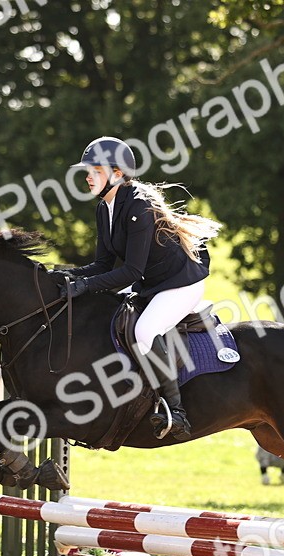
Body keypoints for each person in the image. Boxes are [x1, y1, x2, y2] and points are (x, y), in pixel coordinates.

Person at [59, 136, 221, 441]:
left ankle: (177, 412)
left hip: (180, 284)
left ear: (117, 174)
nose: (88, 175)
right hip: (151, 284)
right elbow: (104, 265)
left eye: (95, 170)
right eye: (87, 170)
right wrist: (66, 277)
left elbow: (130, 271)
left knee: (144, 331)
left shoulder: (138, 206)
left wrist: (83, 286)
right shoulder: (103, 209)